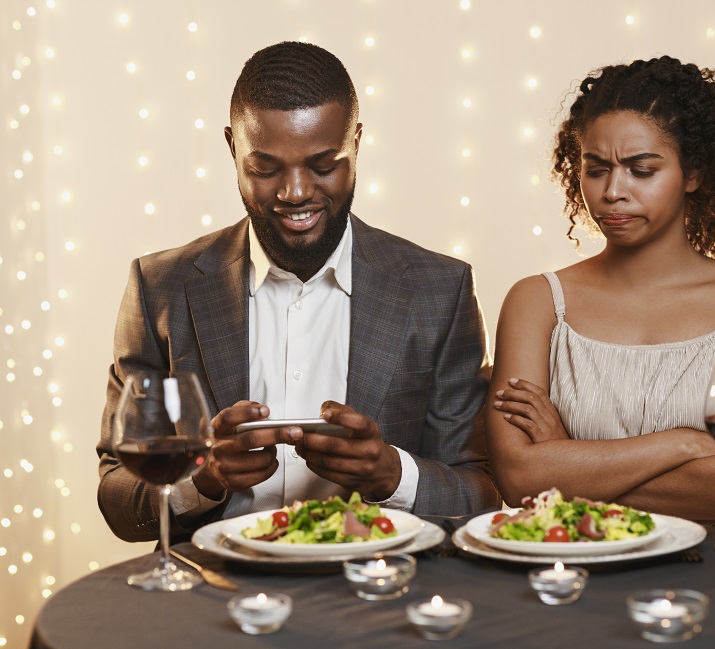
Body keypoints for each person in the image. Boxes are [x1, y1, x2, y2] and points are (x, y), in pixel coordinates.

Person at [98, 41, 500, 543]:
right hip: (213, 598)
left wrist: (391, 475)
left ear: (356, 142)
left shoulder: (440, 291)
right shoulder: (159, 288)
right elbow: (118, 501)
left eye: (323, 164)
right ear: (232, 148)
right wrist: (203, 480)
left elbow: (480, 496)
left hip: (377, 595)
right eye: (265, 168)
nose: (295, 192)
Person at [487, 56, 715, 527]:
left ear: (692, 173)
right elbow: (517, 479)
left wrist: (566, 458)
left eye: (642, 169)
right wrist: (683, 442)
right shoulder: (537, 302)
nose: (614, 191)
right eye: (596, 169)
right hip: (574, 570)